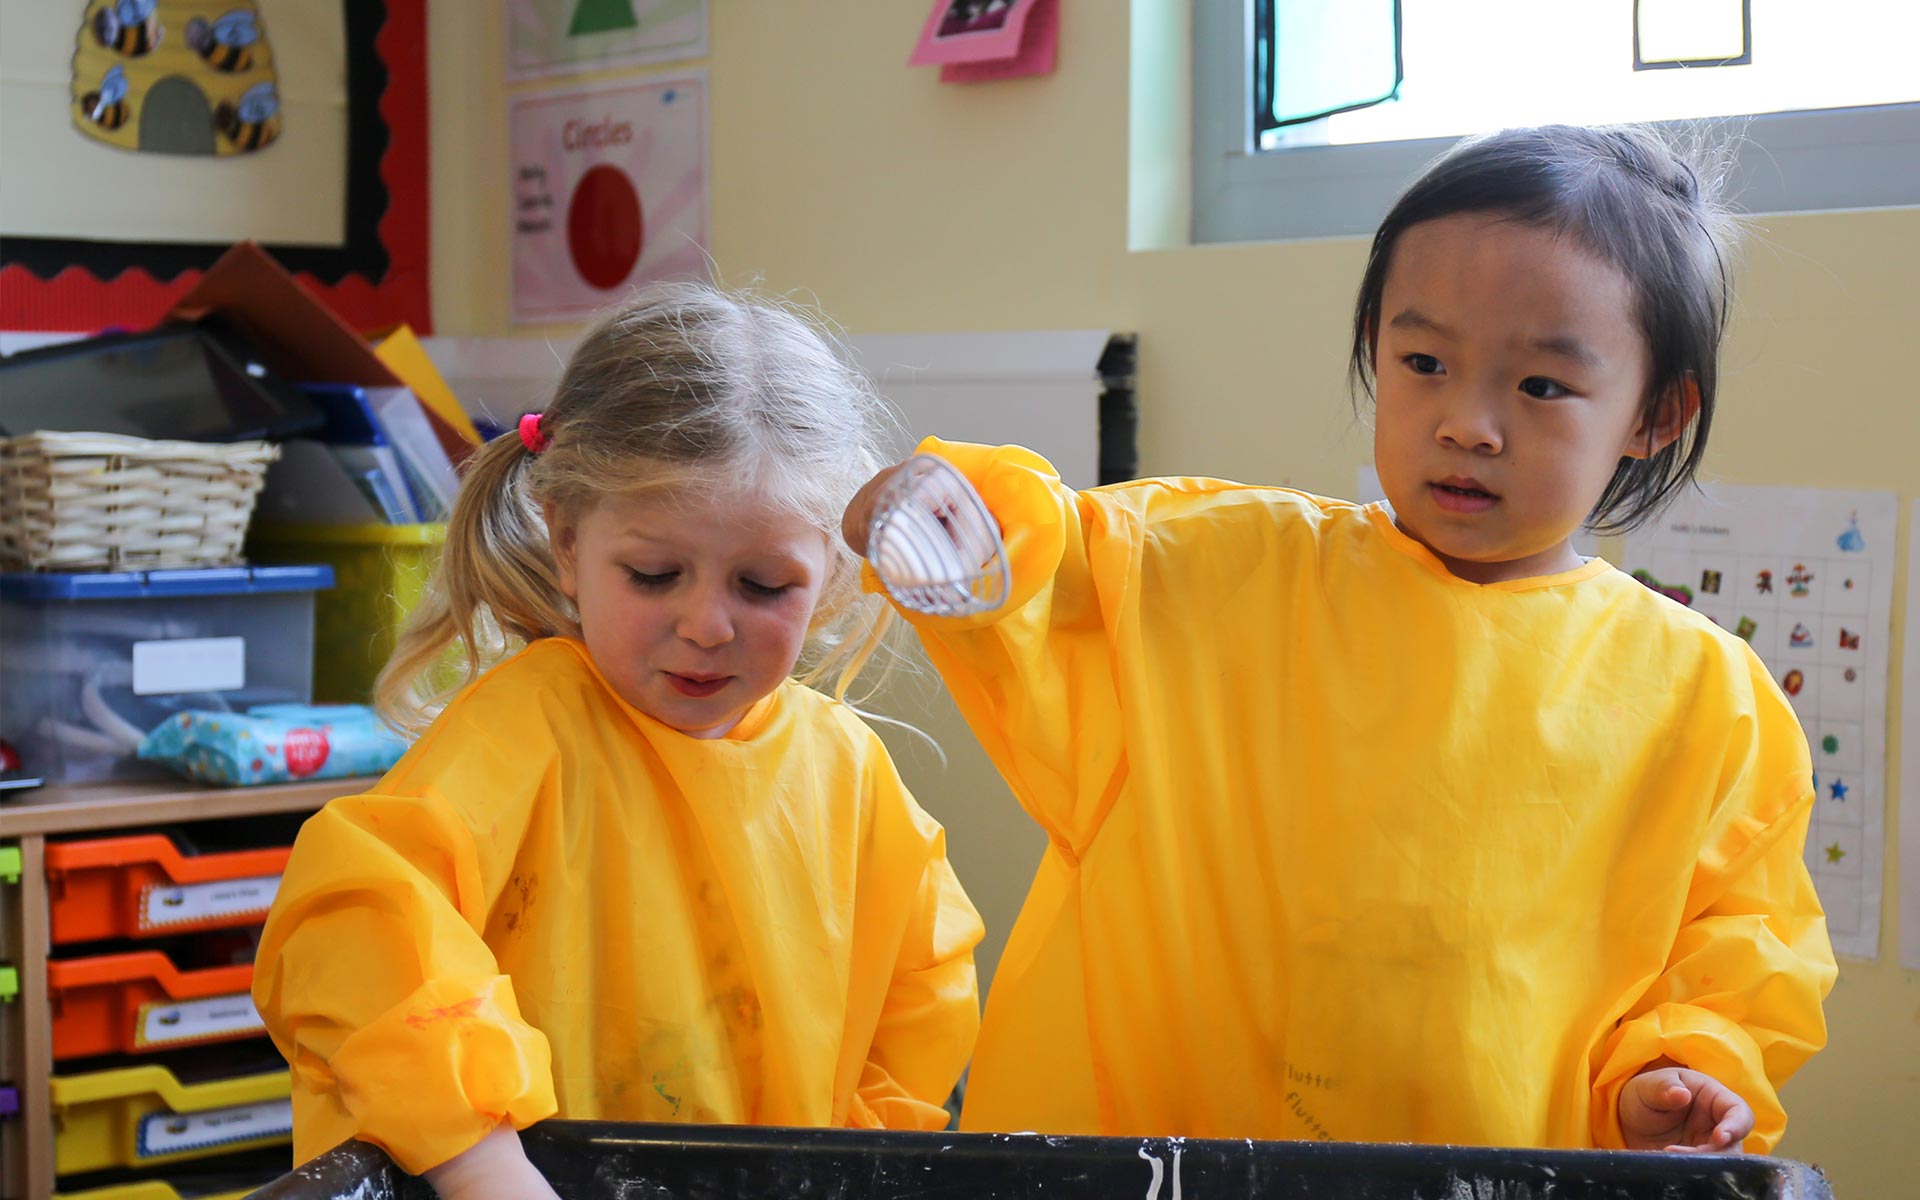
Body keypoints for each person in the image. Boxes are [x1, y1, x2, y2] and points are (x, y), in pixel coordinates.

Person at [843, 125, 1834, 1154]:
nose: (1466, 422)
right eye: (1424, 362)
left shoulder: (1703, 698)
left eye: (1540, 386)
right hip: (1157, 1152)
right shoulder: (1222, 569)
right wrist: (951, 519)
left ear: (1655, 416)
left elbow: (1736, 946)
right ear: (1374, 348)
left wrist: (1680, 1075)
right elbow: (1049, 568)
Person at [254, 282, 983, 1199]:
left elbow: (920, 995)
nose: (706, 625)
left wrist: (853, 1165)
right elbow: (354, 925)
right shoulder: (526, 731)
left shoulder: (847, 769)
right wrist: (480, 1163)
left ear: (831, 573)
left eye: (763, 586)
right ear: (567, 543)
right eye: (653, 574)